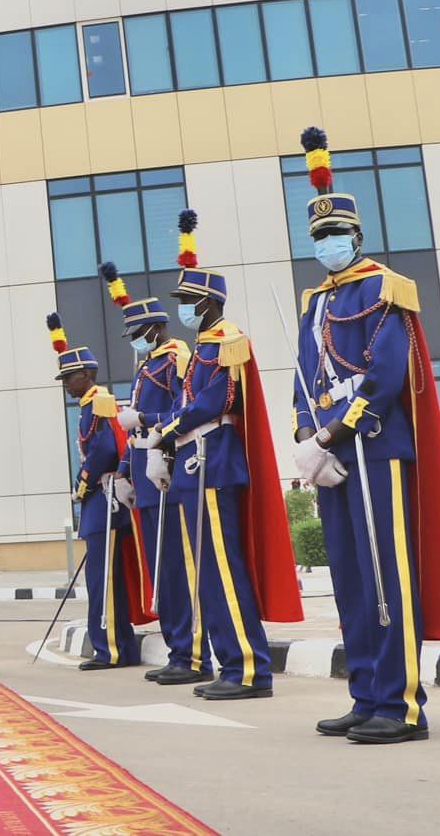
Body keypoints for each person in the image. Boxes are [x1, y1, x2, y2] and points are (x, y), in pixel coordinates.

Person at [290, 127, 440, 745]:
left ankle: (401, 705)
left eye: (334, 235)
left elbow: (388, 372)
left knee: (386, 578)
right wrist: (306, 438)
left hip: (375, 446)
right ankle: (366, 692)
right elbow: (303, 378)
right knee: (349, 578)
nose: (327, 245)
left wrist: (333, 435)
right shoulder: (315, 301)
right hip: (332, 455)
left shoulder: (386, 287)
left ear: (357, 235)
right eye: (318, 237)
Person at [153, 208, 302, 701]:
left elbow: (214, 402)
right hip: (195, 467)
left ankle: (248, 669)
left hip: (214, 463)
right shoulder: (201, 348)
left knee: (224, 570)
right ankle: (230, 663)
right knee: (210, 577)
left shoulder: (228, 342)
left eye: (190, 301)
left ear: (210, 303)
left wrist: (166, 430)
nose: (184, 309)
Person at [100, 261, 202, 685]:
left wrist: (152, 431)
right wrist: (124, 470)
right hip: (144, 470)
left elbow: (182, 410)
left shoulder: (174, 356)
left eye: (138, 334)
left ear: (156, 329)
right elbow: (133, 429)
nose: (136, 342)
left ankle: (192, 651)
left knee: (179, 564)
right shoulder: (146, 366)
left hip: (168, 466)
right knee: (160, 565)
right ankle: (177, 647)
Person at [52, 314, 149, 669]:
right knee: (104, 579)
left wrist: (82, 482)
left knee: (103, 580)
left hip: (104, 500)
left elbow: (106, 449)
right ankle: (116, 647)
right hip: (100, 500)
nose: (66, 384)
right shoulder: (88, 405)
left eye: (69, 377)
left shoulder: (99, 402)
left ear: (87, 375)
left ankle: (110, 649)